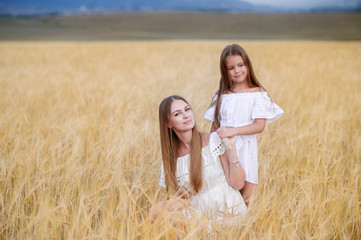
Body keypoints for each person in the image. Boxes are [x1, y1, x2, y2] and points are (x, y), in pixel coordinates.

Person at [204, 43, 284, 206]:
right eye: (231, 68)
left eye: (241, 65)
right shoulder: (221, 95)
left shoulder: (258, 93)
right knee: (223, 201)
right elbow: (214, 127)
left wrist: (234, 131)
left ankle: (246, 230)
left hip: (246, 151)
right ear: (225, 71)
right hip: (222, 150)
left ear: (247, 65)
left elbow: (259, 126)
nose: (237, 71)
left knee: (247, 201)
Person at [150, 95, 247, 224]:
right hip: (199, 213)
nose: (186, 115)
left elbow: (238, 184)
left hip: (228, 212)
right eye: (177, 114)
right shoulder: (171, 161)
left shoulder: (214, 141)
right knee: (158, 213)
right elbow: (185, 200)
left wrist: (231, 149)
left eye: (187, 109)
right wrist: (157, 209)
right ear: (168, 123)